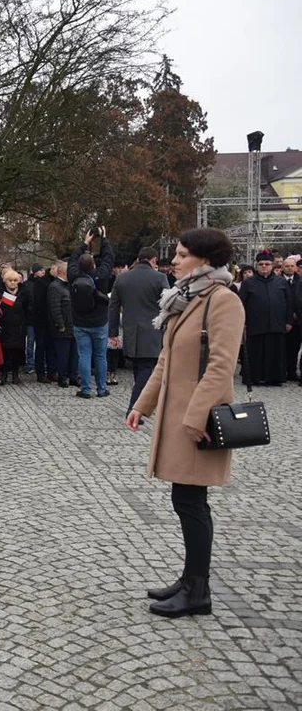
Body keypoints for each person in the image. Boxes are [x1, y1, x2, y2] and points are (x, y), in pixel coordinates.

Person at [127, 227, 242, 618]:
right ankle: (190, 578)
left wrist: (195, 418)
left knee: (192, 502)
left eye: (180, 255)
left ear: (204, 260)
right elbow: (167, 360)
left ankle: (198, 590)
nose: (172, 261)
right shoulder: (185, 299)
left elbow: (222, 367)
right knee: (186, 499)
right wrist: (142, 405)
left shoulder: (223, 301)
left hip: (199, 418)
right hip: (180, 416)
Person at [109, 246, 169, 413]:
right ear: (153, 260)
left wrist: (112, 333)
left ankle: (139, 404)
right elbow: (167, 306)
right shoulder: (160, 278)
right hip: (152, 331)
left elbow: (113, 307)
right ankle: (135, 407)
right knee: (145, 369)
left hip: (130, 331)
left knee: (139, 368)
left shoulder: (121, 278)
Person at [69, 229, 115, 399]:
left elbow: (73, 258)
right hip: (100, 322)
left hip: (80, 322)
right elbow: (109, 258)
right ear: (94, 265)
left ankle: (86, 389)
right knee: (100, 356)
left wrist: (85, 242)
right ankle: (102, 389)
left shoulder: (73, 275)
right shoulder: (101, 276)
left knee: (84, 356)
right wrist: (104, 238)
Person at [238, 249, 294, 386]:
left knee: (276, 352)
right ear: (257, 265)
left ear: (272, 266)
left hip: (277, 324)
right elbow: (240, 304)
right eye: (261, 264)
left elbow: (289, 303)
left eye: (267, 264)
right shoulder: (248, 283)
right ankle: (254, 377)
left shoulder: (281, 282)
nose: (264, 266)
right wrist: (243, 322)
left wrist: (288, 322)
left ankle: (275, 378)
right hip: (255, 324)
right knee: (255, 352)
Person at [0, 269, 31, 384]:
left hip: (19, 326)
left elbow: (28, 308)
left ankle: (15, 374)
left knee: (17, 351)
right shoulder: (0, 293)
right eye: (10, 280)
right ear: (5, 281)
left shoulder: (23, 292)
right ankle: (4, 374)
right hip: (5, 326)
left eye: (15, 280)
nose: (12, 283)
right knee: (5, 351)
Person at [48, 260, 78, 388]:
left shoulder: (69, 285)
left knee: (74, 353)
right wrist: (60, 324)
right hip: (63, 326)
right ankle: (62, 376)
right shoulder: (54, 287)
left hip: (74, 325)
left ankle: (73, 376)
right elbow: (55, 308)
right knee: (63, 354)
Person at [281, 257, 302, 381]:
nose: (289, 268)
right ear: (283, 267)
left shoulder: (299, 281)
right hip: (282, 319)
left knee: (295, 348)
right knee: (282, 347)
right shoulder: (277, 281)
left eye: (292, 266)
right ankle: (281, 371)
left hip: (297, 320)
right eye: (287, 266)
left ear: (296, 268)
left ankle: (292, 371)